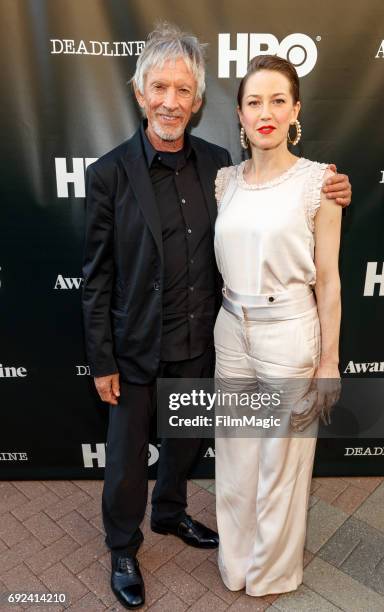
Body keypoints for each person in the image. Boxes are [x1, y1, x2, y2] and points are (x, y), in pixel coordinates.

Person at [82, 23, 351, 609]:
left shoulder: (219, 166)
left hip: (206, 340)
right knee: (128, 455)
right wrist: (101, 357)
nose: (171, 102)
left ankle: (171, 514)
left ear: (198, 100)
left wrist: (333, 190)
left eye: (183, 90)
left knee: (183, 444)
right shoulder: (108, 174)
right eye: (160, 88)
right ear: (140, 93)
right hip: (133, 345)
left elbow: (274, 215)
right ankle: (123, 546)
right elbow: (97, 276)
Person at [213, 54, 343, 596]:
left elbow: (330, 282)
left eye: (277, 100)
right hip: (230, 330)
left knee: (283, 465)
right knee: (237, 459)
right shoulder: (224, 181)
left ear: (296, 111)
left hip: (290, 333)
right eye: (253, 102)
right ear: (240, 116)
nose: (264, 112)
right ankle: (236, 564)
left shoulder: (320, 183)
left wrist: (330, 361)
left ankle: (271, 573)